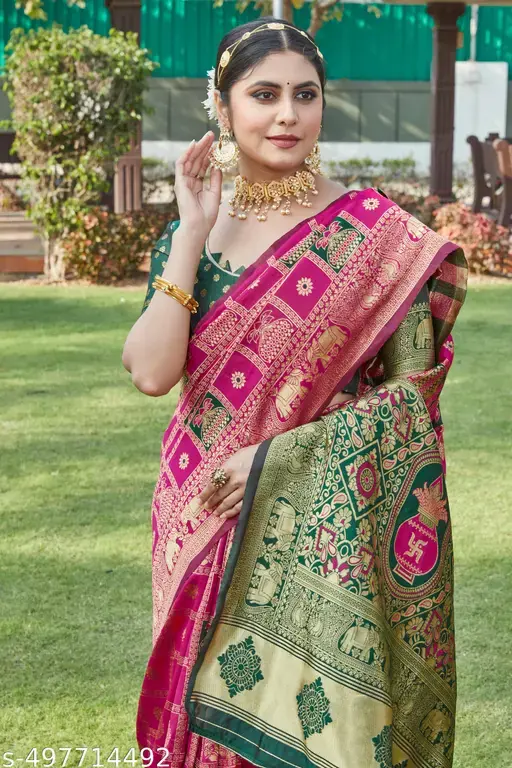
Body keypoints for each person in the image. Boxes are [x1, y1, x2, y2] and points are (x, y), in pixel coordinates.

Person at [122, 17, 467, 768]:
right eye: (264, 94)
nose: (287, 115)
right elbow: (150, 373)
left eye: (305, 95)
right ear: (222, 106)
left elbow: (411, 402)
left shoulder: (380, 239)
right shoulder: (191, 238)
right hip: (197, 513)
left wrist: (278, 457)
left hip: (311, 528)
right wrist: (191, 231)